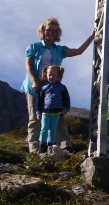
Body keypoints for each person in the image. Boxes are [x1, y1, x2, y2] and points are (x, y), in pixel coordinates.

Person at [22, 18, 95, 153]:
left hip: (52, 86)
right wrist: (34, 81)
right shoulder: (34, 47)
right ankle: (34, 149)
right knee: (35, 118)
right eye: (49, 30)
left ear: (57, 33)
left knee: (59, 115)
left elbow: (78, 51)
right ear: (43, 31)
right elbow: (28, 65)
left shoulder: (59, 50)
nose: (51, 33)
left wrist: (92, 37)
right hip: (35, 85)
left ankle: (65, 147)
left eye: (54, 31)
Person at [36, 65, 70, 154]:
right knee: (44, 128)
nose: (51, 77)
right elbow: (39, 101)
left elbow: (66, 99)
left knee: (52, 130)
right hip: (45, 112)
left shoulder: (62, 87)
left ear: (59, 76)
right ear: (46, 75)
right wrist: (38, 112)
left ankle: (50, 146)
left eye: (54, 75)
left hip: (57, 112)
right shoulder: (44, 88)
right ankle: (42, 146)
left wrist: (66, 108)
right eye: (49, 75)